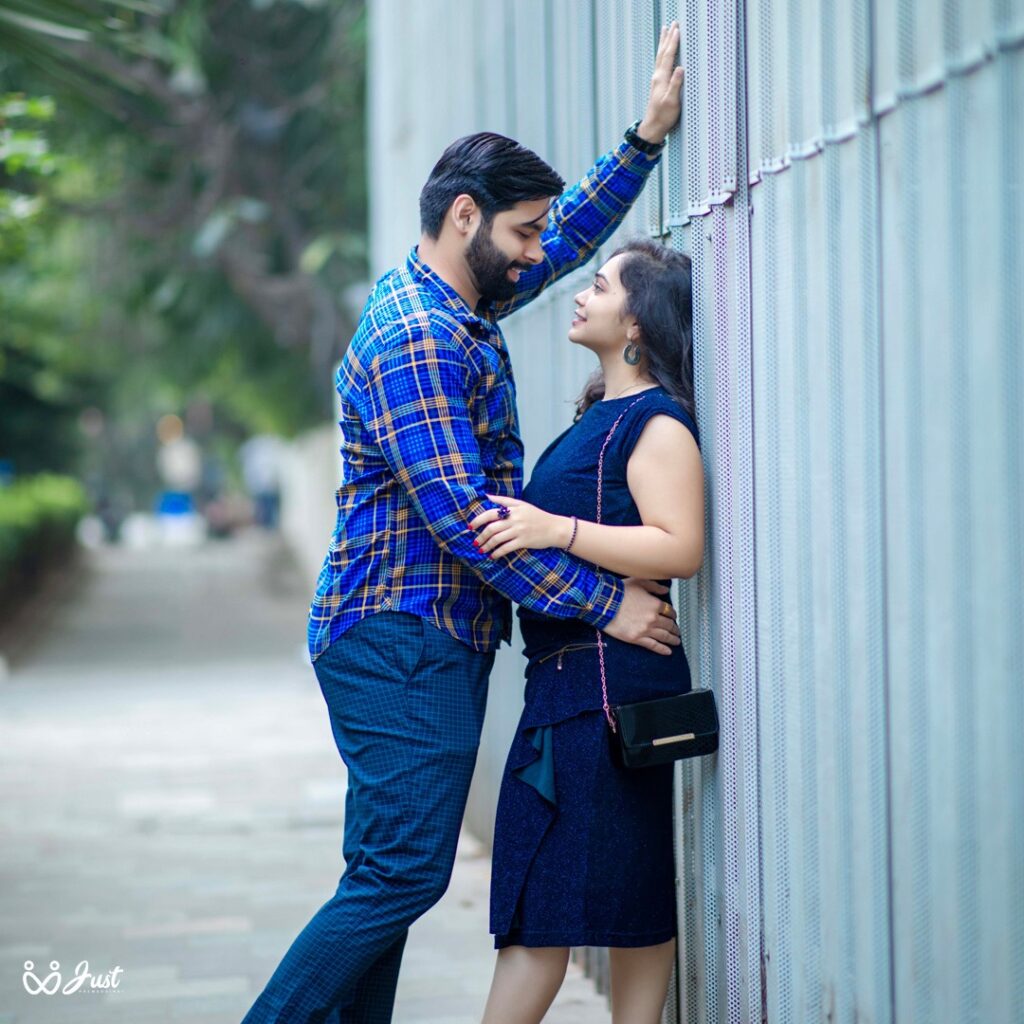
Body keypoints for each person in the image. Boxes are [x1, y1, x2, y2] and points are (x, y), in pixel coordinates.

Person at [240, 23, 686, 1024]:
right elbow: (470, 523)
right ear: (465, 217)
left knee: (384, 872)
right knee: (401, 875)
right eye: (520, 233)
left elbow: (568, 231)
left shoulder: (458, 298)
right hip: (401, 637)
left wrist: (646, 141)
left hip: (422, 637)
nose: (540, 252)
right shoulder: (415, 339)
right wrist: (607, 602)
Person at [470, 239, 703, 1024]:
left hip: (604, 691)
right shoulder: (598, 415)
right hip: (573, 690)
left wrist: (553, 529)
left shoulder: (654, 422)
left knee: (549, 907)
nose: (580, 294)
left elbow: (680, 546)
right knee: (591, 895)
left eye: (598, 285)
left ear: (635, 318)